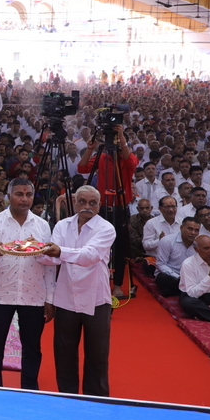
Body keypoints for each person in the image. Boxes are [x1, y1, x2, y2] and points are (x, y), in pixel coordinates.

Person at [0, 178, 54, 389]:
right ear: (9, 196)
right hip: (2, 293)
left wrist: (50, 298)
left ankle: (29, 390)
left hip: (34, 294)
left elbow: (50, 266)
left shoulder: (42, 225)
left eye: (28, 194)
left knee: (32, 347)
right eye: (19, 194)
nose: (24, 199)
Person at [42, 186, 116, 396]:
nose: (87, 206)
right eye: (82, 201)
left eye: (92, 203)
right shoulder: (62, 225)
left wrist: (58, 251)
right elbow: (52, 258)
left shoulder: (106, 228)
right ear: (74, 203)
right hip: (66, 295)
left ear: (99, 205)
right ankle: (67, 395)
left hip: (96, 298)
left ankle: (96, 399)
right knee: (64, 350)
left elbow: (89, 255)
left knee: (97, 353)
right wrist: (36, 251)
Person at [76, 124, 138, 299]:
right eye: (114, 139)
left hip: (120, 208)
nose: (115, 142)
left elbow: (132, 162)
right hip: (102, 208)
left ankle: (117, 284)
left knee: (119, 248)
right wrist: (90, 149)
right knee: (97, 245)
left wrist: (122, 138)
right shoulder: (102, 156)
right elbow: (82, 168)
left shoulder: (127, 158)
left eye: (118, 139)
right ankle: (95, 282)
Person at [154, 217, 201, 297]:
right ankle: (187, 292)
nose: (193, 233)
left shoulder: (199, 243)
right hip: (172, 275)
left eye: (196, 230)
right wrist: (179, 277)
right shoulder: (167, 241)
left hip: (190, 276)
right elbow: (160, 264)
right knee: (163, 278)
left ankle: (177, 292)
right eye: (190, 229)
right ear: (181, 228)